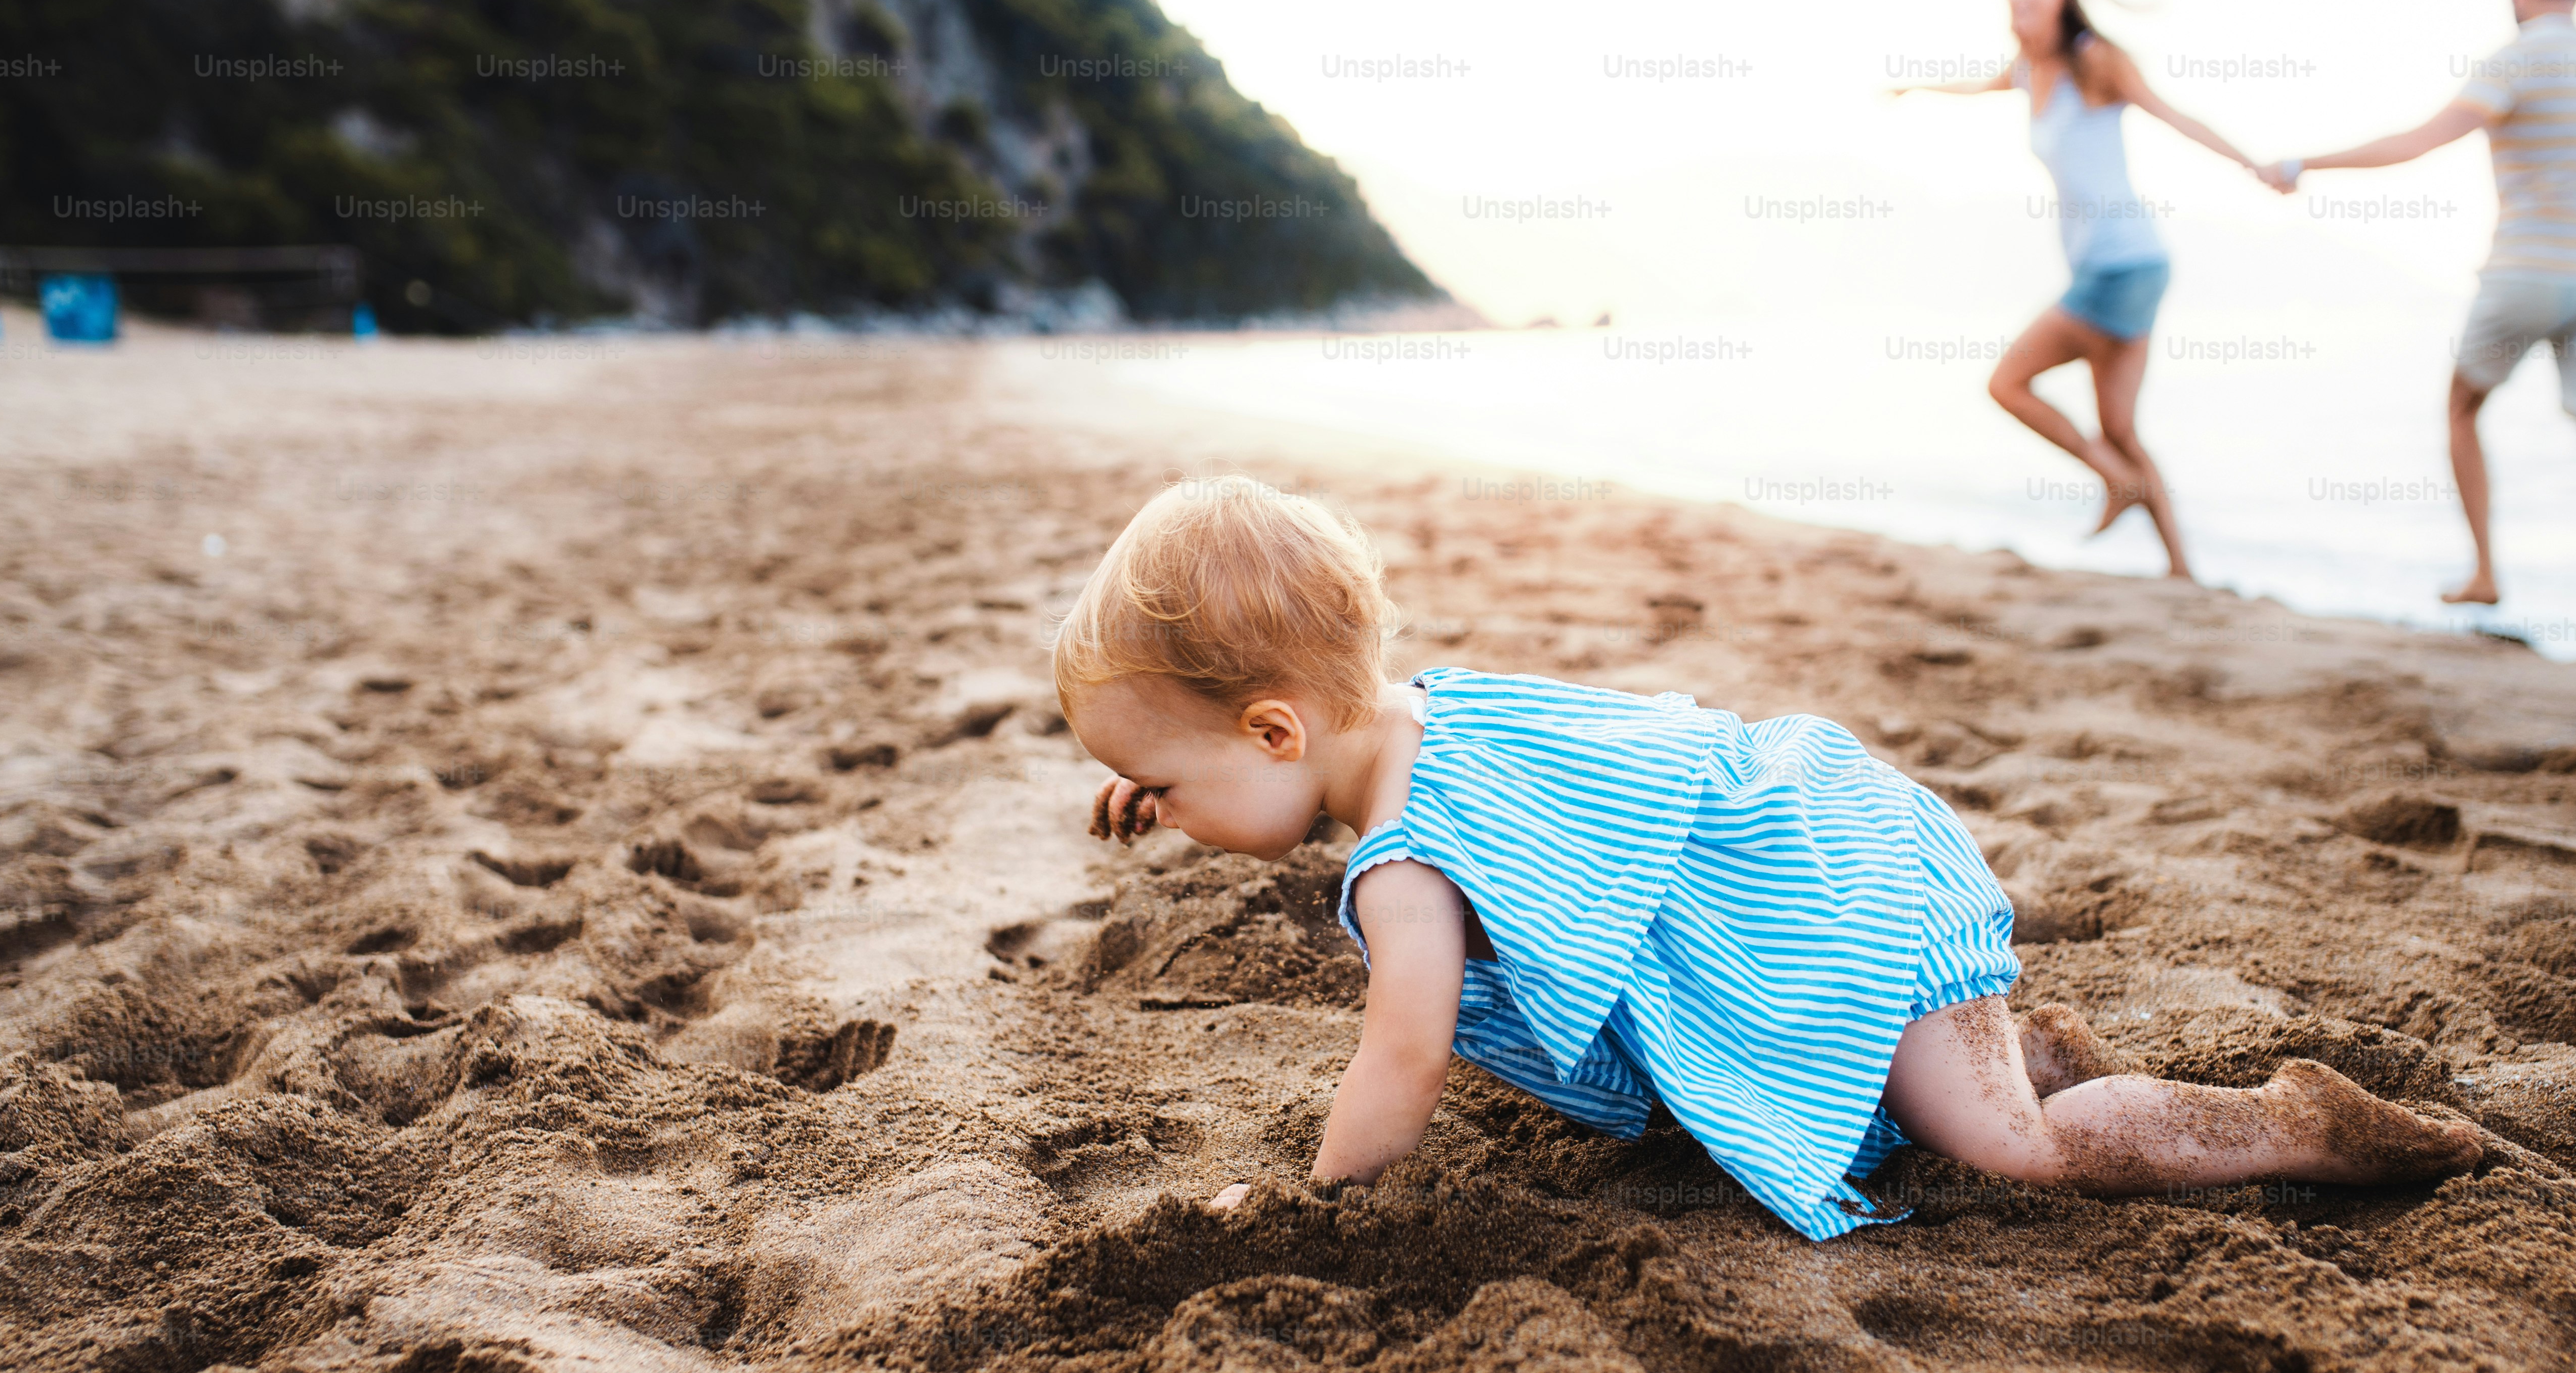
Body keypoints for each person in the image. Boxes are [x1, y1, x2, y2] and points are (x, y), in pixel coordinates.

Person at [1055, 477, 2484, 1238]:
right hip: (1827, 848)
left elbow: (1404, 1055)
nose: (1160, 807)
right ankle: (2020, 1043)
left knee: (2018, 1152)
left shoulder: (1402, 875)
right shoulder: (1434, 708)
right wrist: (1179, 786)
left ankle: (2296, 1124)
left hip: (1841, 932)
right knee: (1956, 1089)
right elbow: (1288, 775)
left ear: (1274, 726)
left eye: (1163, 784)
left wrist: (1321, 1205)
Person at [2261, 0, 2576, 669]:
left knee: (2462, 407)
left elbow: (2419, 143)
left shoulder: (2515, 60)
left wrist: (2306, 164)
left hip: (2526, 271)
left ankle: (2485, 570)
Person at [1894, 0, 2271, 581]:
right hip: (2130, 267)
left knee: (2007, 384)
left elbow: (2172, 115)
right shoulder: (2026, 70)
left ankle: (2115, 481)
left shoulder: (2094, 61)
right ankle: (2182, 570)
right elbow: (1974, 86)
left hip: (2119, 266)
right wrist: (1914, 86)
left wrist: (2252, 164)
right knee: (2119, 429)